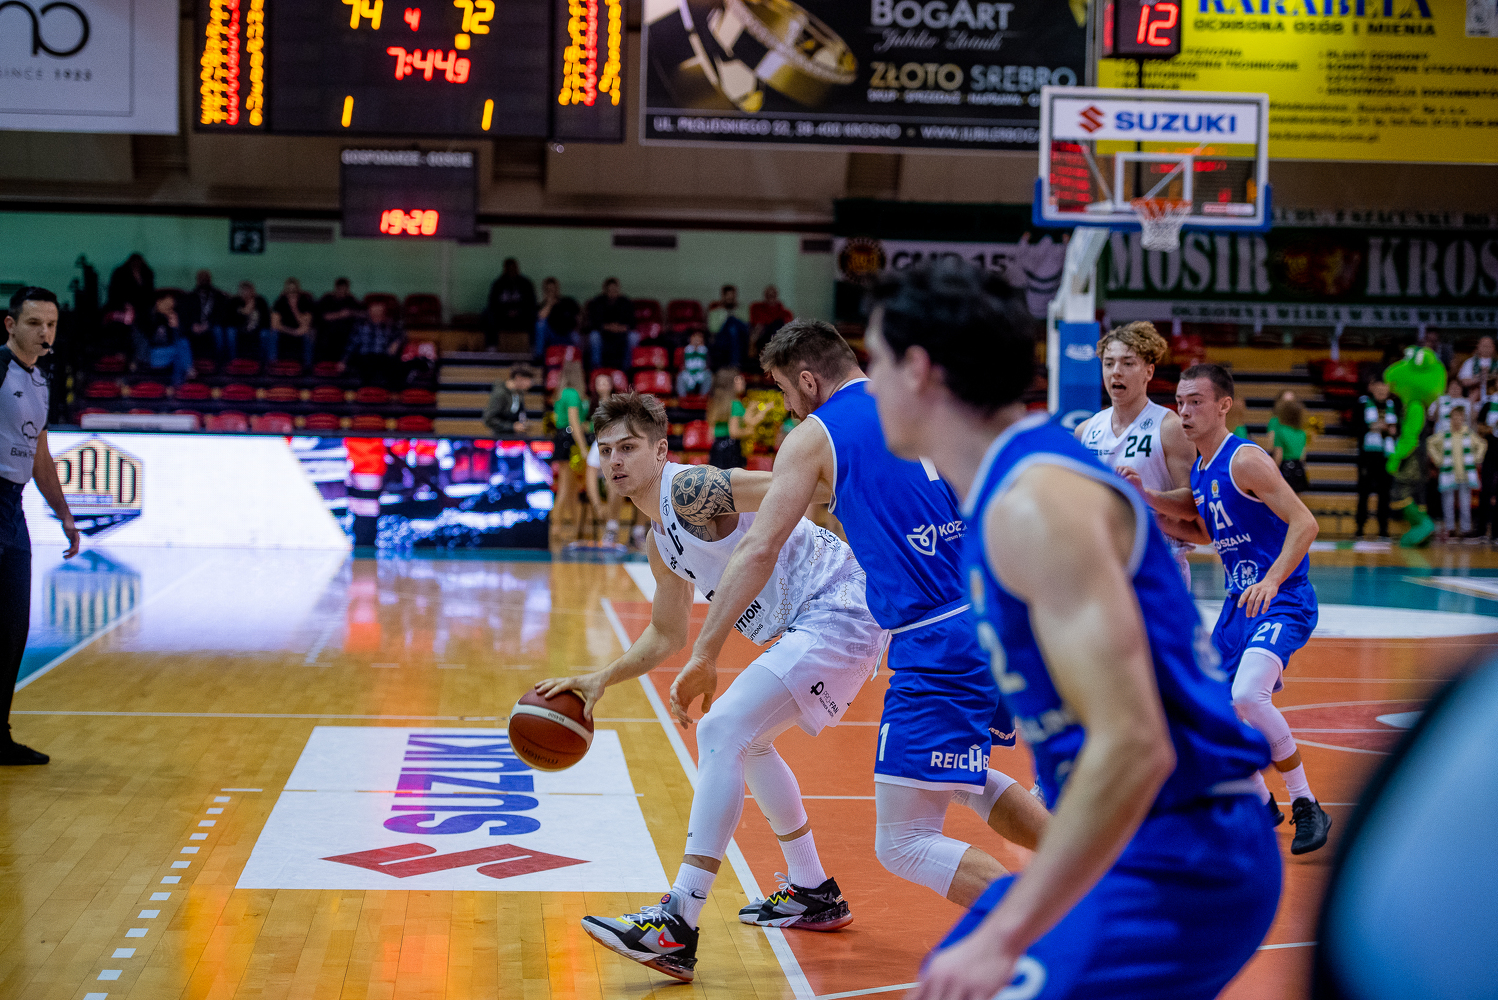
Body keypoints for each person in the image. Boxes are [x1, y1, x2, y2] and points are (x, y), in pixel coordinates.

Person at [858, 260, 1279, 1000]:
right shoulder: (1005, 487)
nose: (869, 387)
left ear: (919, 370)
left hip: (1185, 850)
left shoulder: (1038, 502)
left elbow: (1134, 743)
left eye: (876, 363)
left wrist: (1007, 933)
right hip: (1136, 839)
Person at [681, 317, 1049, 923]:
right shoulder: (922, 404)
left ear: (807, 379)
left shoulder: (814, 436)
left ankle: (1063, 927)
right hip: (995, 610)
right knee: (964, 776)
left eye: (785, 390)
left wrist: (705, 652)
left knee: (903, 842)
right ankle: (1095, 866)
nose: (787, 406)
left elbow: (759, 547)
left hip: (936, 637)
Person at [537, 391, 880, 984]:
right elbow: (667, 633)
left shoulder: (691, 489)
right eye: (607, 450)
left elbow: (793, 485)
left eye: (629, 447)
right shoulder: (660, 537)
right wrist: (600, 678)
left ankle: (678, 921)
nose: (615, 460)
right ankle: (812, 890)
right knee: (751, 741)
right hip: (814, 619)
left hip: (839, 606)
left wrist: (860, 502)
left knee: (722, 728)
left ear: (660, 451)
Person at [1127, 363, 1333, 855]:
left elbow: (1305, 523)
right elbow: (1203, 530)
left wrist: (1272, 578)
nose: (1185, 411)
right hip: (1239, 605)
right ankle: (1260, 803)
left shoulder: (1245, 459)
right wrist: (1147, 500)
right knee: (1207, 709)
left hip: (1281, 598)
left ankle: (1307, 803)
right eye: (1180, 402)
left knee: (1247, 696)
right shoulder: (1202, 469)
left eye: (1196, 401)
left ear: (1224, 406)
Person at [2, 288, 82, 766]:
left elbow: (40, 457)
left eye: (50, 325)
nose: (44, 332)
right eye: (34, 323)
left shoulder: (40, 381)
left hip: (12, 509)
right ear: (10, 325)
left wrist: (65, 514)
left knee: (14, 629)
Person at [1074, 321, 1198, 582]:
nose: (1116, 372)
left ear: (1149, 372)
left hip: (1157, 568)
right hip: (1103, 567)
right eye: (1109, 363)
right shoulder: (1085, 431)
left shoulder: (1170, 427)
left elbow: (1192, 505)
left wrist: (1145, 495)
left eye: (1128, 363)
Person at [1427, 404, 1485, 540]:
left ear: (1463, 419)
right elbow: (1430, 443)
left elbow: (1482, 444)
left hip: (1464, 473)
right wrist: (1438, 459)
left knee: (1465, 503)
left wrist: (1476, 458)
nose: (1457, 420)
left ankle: (1465, 528)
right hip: (1449, 472)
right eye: (1454, 417)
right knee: (1447, 502)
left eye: (1460, 418)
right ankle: (1450, 528)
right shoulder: (1445, 434)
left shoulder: (1468, 434)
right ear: (1450, 419)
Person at [584, 371, 626, 545]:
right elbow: (585, 424)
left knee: (614, 482)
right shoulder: (589, 404)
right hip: (600, 442)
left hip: (616, 443)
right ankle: (597, 507)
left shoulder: (618, 404)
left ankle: (612, 525)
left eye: (605, 382)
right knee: (591, 469)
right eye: (599, 382)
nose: (602, 385)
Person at [1355, 379, 1399, 539]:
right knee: (1364, 492)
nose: (1381, 391)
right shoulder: (1363, 404)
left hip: (1386, 455)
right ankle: (1360, 528)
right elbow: (1355, 427)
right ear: (1372, 388)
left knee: (1385, 493)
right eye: (1378, 387)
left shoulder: (1394, 405)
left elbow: (1398, 428)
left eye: (1384, 388)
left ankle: (1383, 529)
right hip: (1367, 456)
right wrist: (1372, 427)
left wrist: (1393, 431)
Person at [550, 360, 590, 536]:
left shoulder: (561, 393)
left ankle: (576, 528)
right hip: (569, 440)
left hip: (561, 438)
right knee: (566, 488)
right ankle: (556, 527)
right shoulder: (572, 393)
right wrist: (583, 447)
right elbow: (574, 423)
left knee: (570, 488)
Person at [705, 368, 768, 470]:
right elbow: (734, 432)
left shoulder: (715, 403)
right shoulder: (735, 404)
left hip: (716, 449)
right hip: (732, 451)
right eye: (739, 379)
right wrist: (750, 432)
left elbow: (710, 434)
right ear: (730, 384)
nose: (743, 382)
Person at [133, 291, 194, 386]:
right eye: (167, 304)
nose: (169, 308)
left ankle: (177, 385)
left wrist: (176, 327)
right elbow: (147, 337)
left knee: (181, 349)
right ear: (158, 302)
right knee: (180, 350)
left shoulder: (169, 318)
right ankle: (187, 371)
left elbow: (175, 340)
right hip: (149, 355)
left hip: (167, 353)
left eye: (171, 306)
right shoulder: (146, 316)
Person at [344, 300, 406, 388]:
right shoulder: (361, 325)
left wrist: (397, 342)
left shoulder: (391, 326)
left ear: (384, 312)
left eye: (379, 311)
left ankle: (393, 392)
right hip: (365, 357)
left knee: (394, 365)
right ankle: (365, 390)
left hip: (383, 358)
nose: (377, 313)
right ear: (369, 311)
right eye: (374, 310)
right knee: (363, 364)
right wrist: (344, 360)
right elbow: (351, 344)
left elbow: (402, 336)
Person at [486, 258, 537, 351]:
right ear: (505, 269)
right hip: (503, 318)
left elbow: (532, 303)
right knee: (487, 314)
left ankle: (533, 347)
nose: (511, 270)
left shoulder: (525, 283)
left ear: (517, 268)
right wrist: (506, 312)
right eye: (509, 268)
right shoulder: (498, 284)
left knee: (534, 314)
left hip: (521, 318)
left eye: (513, 268)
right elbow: (492, 304)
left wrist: (518, 311)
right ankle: (492, 346)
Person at [182, 270, 231, 363]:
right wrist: (192, 325)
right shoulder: (190, 296)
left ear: (210, 280)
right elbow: (185, 314)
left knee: (218, 331)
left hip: (211, 325)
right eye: (201, 279)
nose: (203, 281)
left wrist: (208, 324)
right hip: (194, 325)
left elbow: (222, 315)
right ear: (197, 280)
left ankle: (220, 363)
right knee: (182, 331)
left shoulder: (218, 296)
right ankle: (189, 363)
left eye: (205, 278)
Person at [586, 278, 635, 371]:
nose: (612, 293)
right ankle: (596, 368)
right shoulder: (597, 302)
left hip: (621, 335)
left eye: (615, 290)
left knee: (634, 337)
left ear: (618, 290)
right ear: (605, 290)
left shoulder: (625, 302)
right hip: (604, 335)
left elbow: (632, 323)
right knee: (593, 336)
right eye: (610, 290)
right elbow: (594, 323)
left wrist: (619, 328)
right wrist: (609, 327)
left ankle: (627, 369)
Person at [1268, 391, 1310, 493]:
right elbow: (1302, 456)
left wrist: (1271, 472)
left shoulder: (1280, 431)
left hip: (1286, 468)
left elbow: (1278, 456)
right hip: (1299, 469)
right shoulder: (1302, 433)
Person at [269, 278, 316, 368]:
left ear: (298, 291)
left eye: (294, 291)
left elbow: (306, 324)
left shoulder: (305, 301)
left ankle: (308, 365)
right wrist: (292, 332)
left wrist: (294, 309)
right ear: (286, 292)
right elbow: (275, 325)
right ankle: (272, 363)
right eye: (289, 291)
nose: (292, 294)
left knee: (309, 333)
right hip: (285, 331)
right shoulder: (280, 302)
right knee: (273, 333)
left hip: (301, 331)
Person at [481, 364, 535, 437]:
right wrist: (512, 426)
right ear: (519, 378)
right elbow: (489, 420)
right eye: (529, 381)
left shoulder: (519, 393)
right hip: (499, 438)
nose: (530, 385)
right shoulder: (500, 394)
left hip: (513, 437)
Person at [534, 277, 581, 359]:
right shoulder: (543, 305)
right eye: (549, 290)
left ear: (557, 289)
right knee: (540, 324)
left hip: (567, 333)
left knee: (576, 336)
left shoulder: (567, 302)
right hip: (552, 335)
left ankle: (577, 360)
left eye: (553, 290)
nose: (552, 292)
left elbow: (578, 316)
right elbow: (541, 318)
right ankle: (539, 358)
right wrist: (550, 304)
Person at [317, 278, 362, 363]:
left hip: (346, 331)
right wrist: (340, 314)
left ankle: (343, 363)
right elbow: (324, 316)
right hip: (328, 330)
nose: (342, 291)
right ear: (336, 288)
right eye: (340, 289)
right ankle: (325, 363)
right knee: (326, 337)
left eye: (344, 289)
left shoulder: (350, 299)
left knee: (352, 337)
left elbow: (362, 313)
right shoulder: (327, 299)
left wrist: (351, 313)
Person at [707, 284, 750, 369]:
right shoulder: (715, 312)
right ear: (723, 297)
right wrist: (726, 318)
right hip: (722, 339)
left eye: (732, 297)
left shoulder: (742, 310)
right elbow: (713, 329)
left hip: (740, 338)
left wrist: (734, 316)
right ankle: (735, 365)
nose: (730, 299)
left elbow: (746, 327)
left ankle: (734, 364)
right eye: (728, 297)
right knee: (731, 323)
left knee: (733, 324)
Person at [233, 281, 271, 360]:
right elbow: (230, 320)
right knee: (231, 333)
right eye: (243, 291)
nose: (246, 294)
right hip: (240, 329)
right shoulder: (235, 302)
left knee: (265, 334)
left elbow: (266, 321)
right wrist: (244, 313)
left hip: (258, 329)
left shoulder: (260, 301)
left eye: (248, 291)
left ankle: (263, 362)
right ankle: (233, 360)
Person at [1458, 335, 1496, 402]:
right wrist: (1479, 378)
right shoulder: (1470, 362)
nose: (1486, 348)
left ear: (1493, 347)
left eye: (1489, 346)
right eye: (1484, 346)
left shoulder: (1496, 363)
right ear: (1478, 346)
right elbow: (1463, 380)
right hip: (1474, 399)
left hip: (1494, 399)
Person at [674, 329, 712, 398]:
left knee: (708, 375)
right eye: (695, 337)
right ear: (690, 339)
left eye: (699, 337)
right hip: (688, 375)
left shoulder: (705, 351)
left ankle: (703, 398)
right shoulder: (685, 350)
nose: (697, 340)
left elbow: (708, 365)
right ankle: (682, 398)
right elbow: (681, 365)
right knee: (680, 376)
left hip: (701, 375)